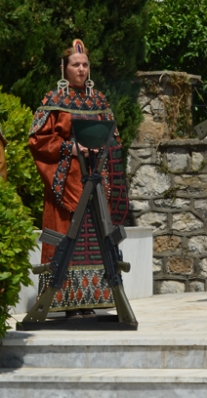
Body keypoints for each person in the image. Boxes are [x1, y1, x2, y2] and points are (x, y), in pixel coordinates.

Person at [28, 39, 129, 318]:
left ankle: (91, 299)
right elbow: (38, 141)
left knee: (94, 239)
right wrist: (69, 148)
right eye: (76, 64)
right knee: (66, 237)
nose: (82, 69)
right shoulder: (53, 101)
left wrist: (104, 146)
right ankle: (66, 304)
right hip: (66, 182)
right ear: (64, 68)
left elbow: (114, 135)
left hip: (95, 181)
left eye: (85, 65)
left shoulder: (99, 101)